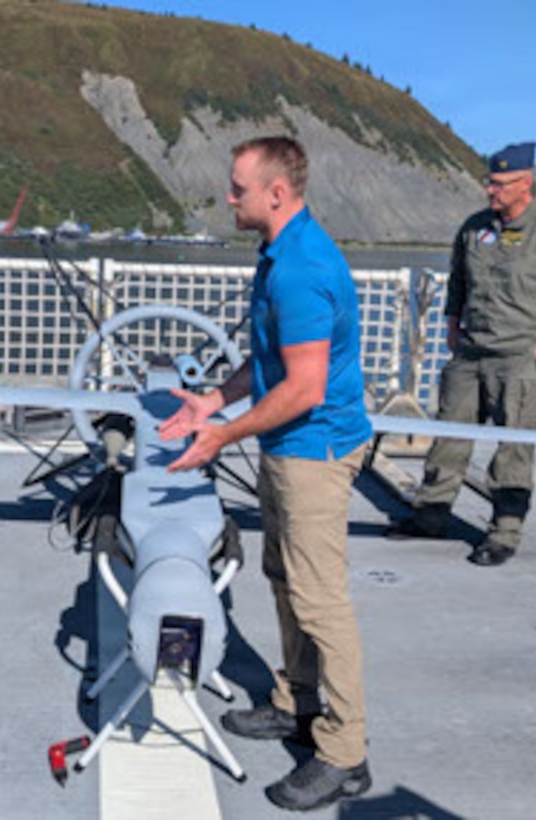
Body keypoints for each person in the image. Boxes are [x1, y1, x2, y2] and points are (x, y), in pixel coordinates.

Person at [159, 136, 373, 812]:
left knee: (319, 601)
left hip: (314, 450)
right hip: (287, 445)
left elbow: (305, 387)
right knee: (282, 579)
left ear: (275, 193)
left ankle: (343, 752)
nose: (229, 198)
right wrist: (212, 401)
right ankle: (296, 701)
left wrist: (220, 435)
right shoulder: (278, 254)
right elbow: (272, 362)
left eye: (238, 189)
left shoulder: (301, 268)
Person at [387, 142, 536, 566]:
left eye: (502, 185)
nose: (492, 191)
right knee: (449, 438)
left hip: (521, 358)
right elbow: (458, 280)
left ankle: (504, 533)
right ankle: (431, 516)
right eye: (490, 182)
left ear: (526, 184)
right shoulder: (474, 228)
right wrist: (452, 323)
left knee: (514, 451)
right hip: (471, 353)